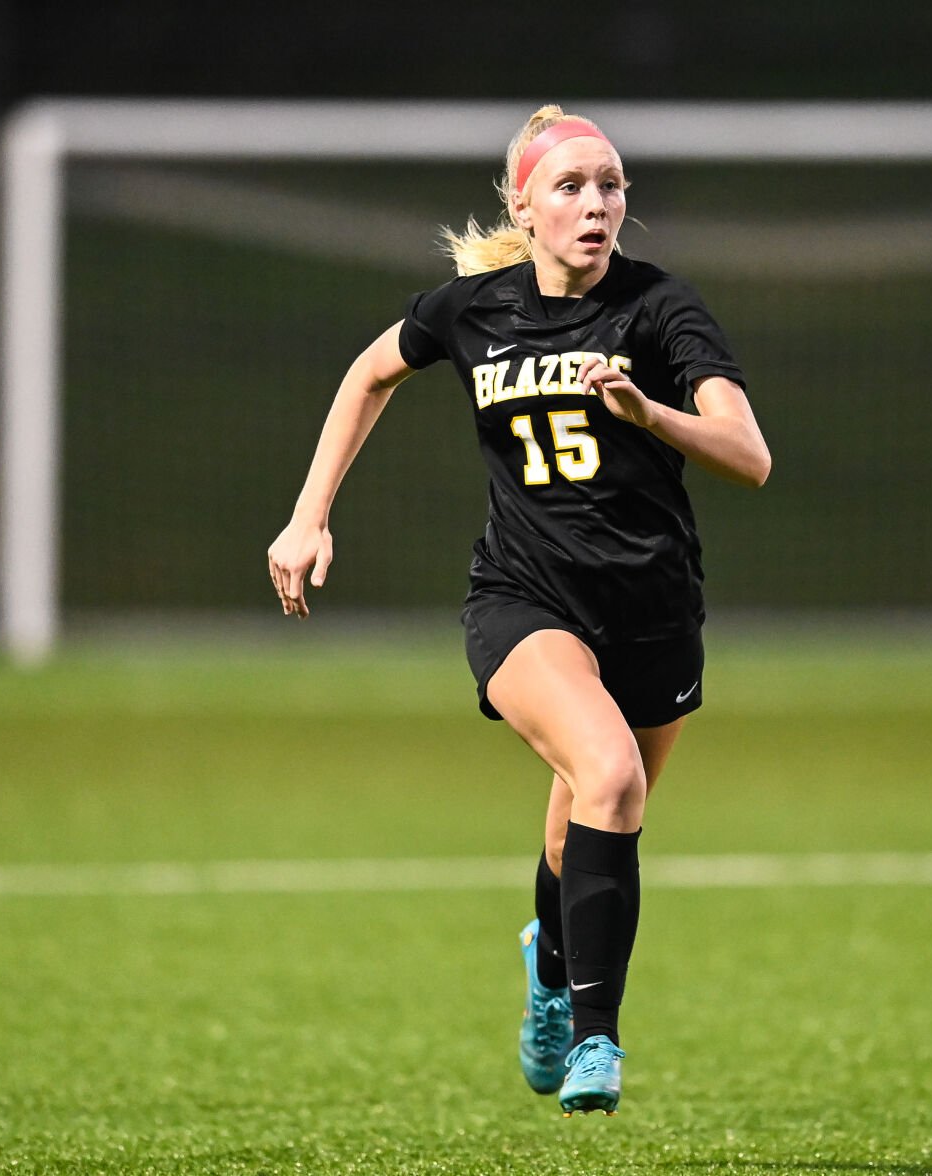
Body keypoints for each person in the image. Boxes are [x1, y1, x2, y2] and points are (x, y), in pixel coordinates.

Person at [267, 105, 771, 1115]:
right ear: (523, 204)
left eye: (612, 185)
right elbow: (370, 374)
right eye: (573, 186)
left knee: (578, 830)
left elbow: (749, 456)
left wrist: (648, 411)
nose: (596, 205)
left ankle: (546, 965)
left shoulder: (660, 308)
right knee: (612, 776)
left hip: (652, 611)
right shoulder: (471, 309)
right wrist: (307, 515)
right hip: (524, 600)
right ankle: (595, 1041)